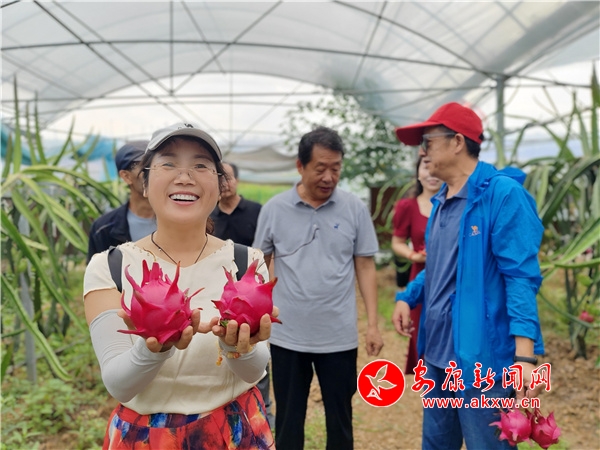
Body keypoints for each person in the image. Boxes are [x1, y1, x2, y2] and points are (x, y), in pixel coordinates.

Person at [84, 123, 275, 449]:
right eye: (168, 163)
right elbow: (119, 385)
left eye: (201, 165)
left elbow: (255, 371)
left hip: (234, 431)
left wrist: (236, 346)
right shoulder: (110, 267)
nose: (185, 176)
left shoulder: (246, 262)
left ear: (220, 185)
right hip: (148, 438)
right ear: (144, 183)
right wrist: (153, 349)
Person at [391, 103, 545, 449]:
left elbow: (521, 278)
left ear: (457, 142)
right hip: (437, 355)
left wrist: (524, 358)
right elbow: (440, 268)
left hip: (483, 360)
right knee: (436, 445)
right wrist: (408, 296)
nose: (423, 152)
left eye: (428, 142)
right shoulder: (442, 202)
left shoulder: (502, 196)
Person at [253, 126, 384, 450]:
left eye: (336, 169)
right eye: (320, 168)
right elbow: (259, 264)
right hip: (287, 335)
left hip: (338, 336)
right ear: (300, 166)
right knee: (288, 420)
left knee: (340, 420)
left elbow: (365, 265)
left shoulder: (354, 208)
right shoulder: (275, 209)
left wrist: (373, 324)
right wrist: (258, 314)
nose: (329, 177)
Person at [209, 161, 273, 427]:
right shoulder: (208, 217)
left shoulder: (257, 211)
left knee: (257, 350)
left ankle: (263, 412)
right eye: (220, 179)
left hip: (254, 300)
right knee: (224, 351)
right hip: (222, 300)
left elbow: (268, 253)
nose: (225, 184)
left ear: (237, 180)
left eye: (229, 178)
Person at [390, 157, 442, 375]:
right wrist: (413, 255)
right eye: (425, 167)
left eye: (436, 167)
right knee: (423, 329)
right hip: (420, 275)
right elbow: (397, 242)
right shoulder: (407, 206)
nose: (431, 174)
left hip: (451, 274)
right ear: (418, 172)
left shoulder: (455, 204)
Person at [87, 141, 155, 262]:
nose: (153, 174)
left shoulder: (179, 221)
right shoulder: (103, 229)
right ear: (126, 176)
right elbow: (97, 272)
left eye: (157, 167)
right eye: (146, 168)